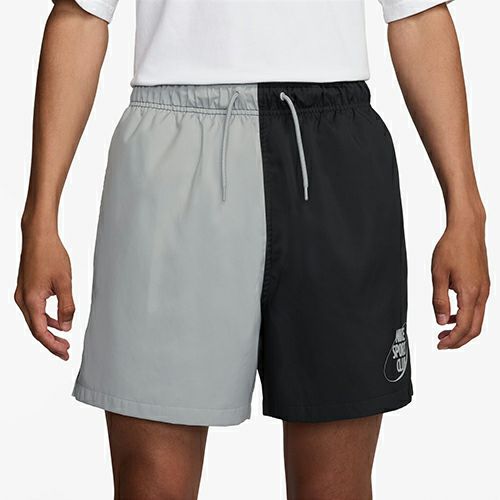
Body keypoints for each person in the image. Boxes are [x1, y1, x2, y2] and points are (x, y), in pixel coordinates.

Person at [15, 0, 490, 498]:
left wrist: (466, 211)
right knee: (150, 486)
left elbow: (418, 13)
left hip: (332, 151)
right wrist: (39, 221)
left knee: (336, 489)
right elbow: (81, 15)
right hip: (172, 146)